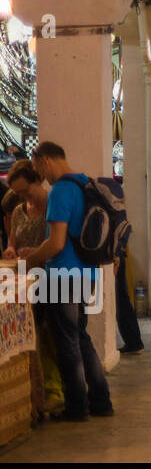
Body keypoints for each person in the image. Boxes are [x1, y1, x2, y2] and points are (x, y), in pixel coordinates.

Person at [22, 142, 113, 422]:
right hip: (87, 273)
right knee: (81, 337)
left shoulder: (61, 190)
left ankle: (76, 407)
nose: (40, 175)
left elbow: (57, 243)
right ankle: (100, 400)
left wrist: (31, 258)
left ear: (44, 160)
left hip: (62, 275)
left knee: (67, 343)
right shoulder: (85, 183)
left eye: (37, 167)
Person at [3, 162, 64, 416]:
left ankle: (56, 390)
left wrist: (35, 254)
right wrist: (11, 250)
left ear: (38, 182)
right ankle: (38, 391)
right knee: (34, 336)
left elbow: (55, 243)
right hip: (24, 283)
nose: (24, 198)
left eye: (26, 192)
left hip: (50, 280)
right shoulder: (18, 211)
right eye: (19, 194)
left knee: (52, 336)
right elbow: (12, 242)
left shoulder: (54, 207)